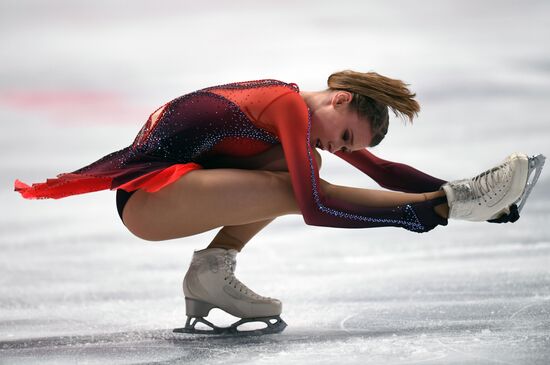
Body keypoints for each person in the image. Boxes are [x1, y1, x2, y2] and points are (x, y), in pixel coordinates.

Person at [14, 70, 544, 335]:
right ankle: (447, 206)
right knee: (299, 180)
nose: (338, 148)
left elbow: (381, 171)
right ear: (338, 99)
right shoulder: (287, 105)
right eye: (344, 137)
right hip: (150, 201)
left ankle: (211, 272)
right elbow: (313, 207)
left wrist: (466, 188)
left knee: (301, 168)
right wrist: (433, 211)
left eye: (346, 147)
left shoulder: (300, 113)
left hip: (175, 191)